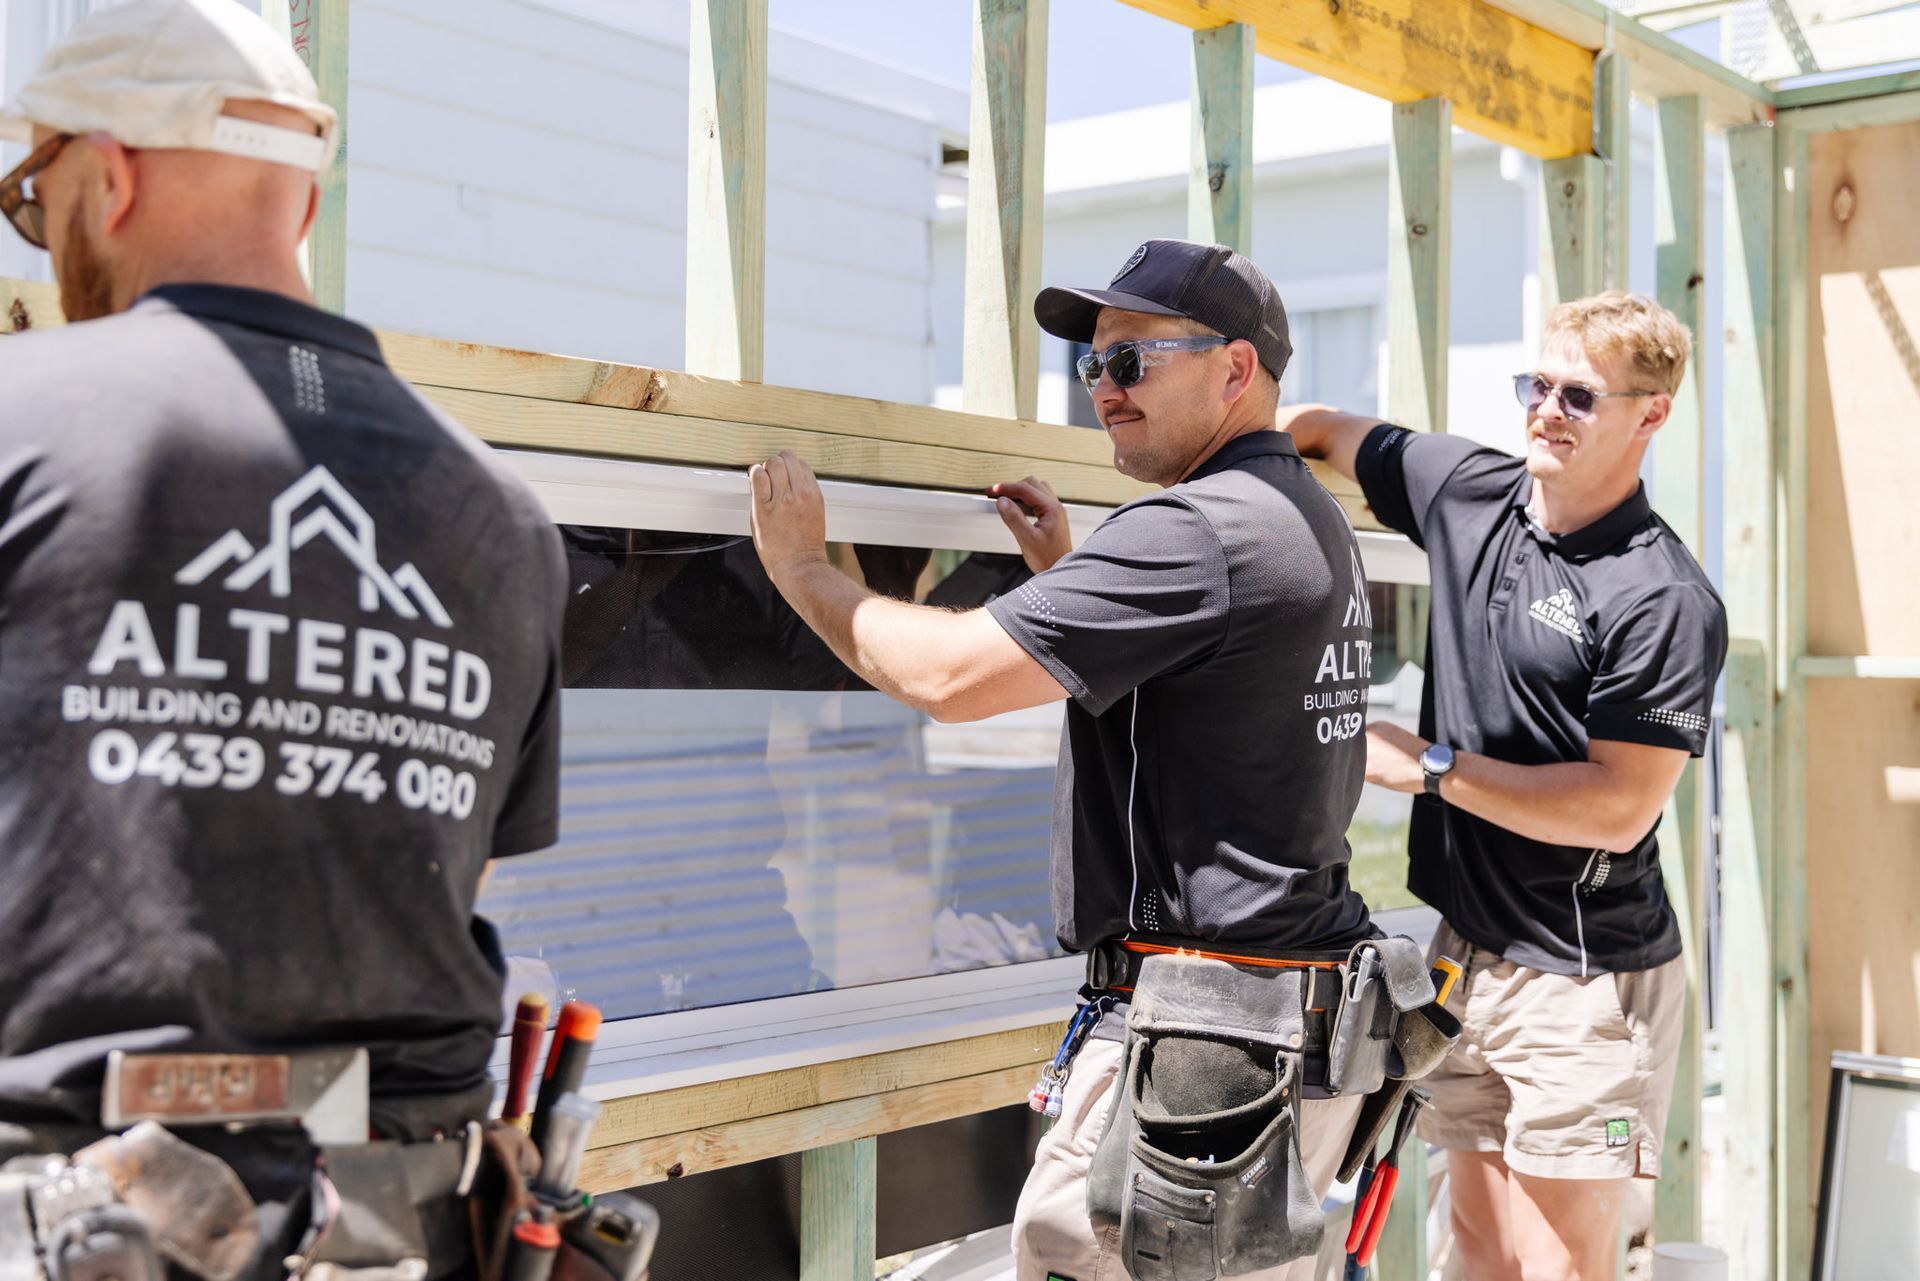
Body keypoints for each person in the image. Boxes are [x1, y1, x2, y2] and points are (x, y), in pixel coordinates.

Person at [0, 0, 565, 1274]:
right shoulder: (504, 518)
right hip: (396, 1222)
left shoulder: (18, 427)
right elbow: (449, 872)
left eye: (37, 204)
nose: (47, 243)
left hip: (67, 1215)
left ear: (109, 171)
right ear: (299, 209)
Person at [746, 238, 1380, 1281]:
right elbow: (1212, 694)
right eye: (1092, 366)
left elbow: (948, 679)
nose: (1105, 391)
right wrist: (1076, 578)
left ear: (1236, 369)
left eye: (1133, 362)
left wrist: (804, 567)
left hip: (1209, 1053)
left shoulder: (1199, 531)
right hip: (1284, 1025)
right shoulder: (1299, 516)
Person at [1283, 291, 1728, 1281]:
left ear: (1650, 414)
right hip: (1464, 952)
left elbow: (1620, 807)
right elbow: (1317, 428)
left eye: (1579, 396)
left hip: (1586, 976)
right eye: (1537, 385)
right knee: (1477, 1252)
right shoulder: (1467, 491)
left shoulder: (1662, 597)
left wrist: (1435, 769)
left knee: (1559, 1268)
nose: (1546, 411)